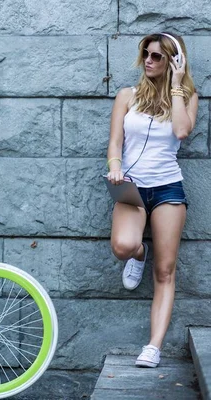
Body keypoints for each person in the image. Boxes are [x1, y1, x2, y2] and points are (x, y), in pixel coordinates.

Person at [106, 32, 198, 368]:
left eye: (158, 56)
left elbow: (182, 131)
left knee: (165, 270)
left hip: (168, 189)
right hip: (131, 189)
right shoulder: (127, 96)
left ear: (174, 61)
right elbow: (115, 143)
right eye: (146, 53)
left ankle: (153, 347)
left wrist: (176, 84)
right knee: (122, 246)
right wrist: (115, 168)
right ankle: (139, 252)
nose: (148, 60)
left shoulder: (187, 97)